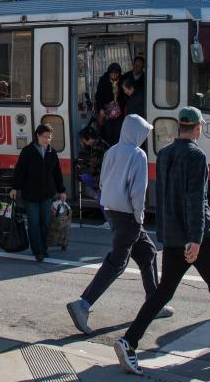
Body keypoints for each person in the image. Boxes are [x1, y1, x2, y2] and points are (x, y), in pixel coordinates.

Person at [114, 107, 210, 375]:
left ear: (180, 126)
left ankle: (129, 341)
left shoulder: (164, 153)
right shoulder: (196, 155)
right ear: (197, 127)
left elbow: (164, 196)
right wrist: (196, 238)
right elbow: (196, 199)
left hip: (172, 237)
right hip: (197, 236)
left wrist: (169, 236)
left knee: (163, 291)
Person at [67, 115, 173, 335]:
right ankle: (83, 304)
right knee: (117, 262)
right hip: (128, 214)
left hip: (110, 210)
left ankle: (154, 303)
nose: (145, 137)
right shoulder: (138, 154)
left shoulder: (112, 151)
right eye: (144, 132)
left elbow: (103, 181)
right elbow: (138, 190)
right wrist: (139, 215)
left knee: (148, 253)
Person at [10, 124, 68, 262]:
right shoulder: (27, 151)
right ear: (37, 135)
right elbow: (20, 171)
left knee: (46, 222)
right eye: (45, 136)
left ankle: (43, 247)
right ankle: (38, 251)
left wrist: (61, 190)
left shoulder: (52, 152)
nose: (47, 139)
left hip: (47, 194)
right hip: (30, 194)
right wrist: (14, 188)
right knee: (34, 222)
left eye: (49, 137)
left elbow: (57, 173)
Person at [93, 63, 123, 144]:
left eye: (116, 73)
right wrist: (101, 109)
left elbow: (124, 97)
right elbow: (98, 96)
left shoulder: (122, 80)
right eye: (111, 73)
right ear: (109, 73)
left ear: (119, 73)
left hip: (119, 113)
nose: (113, 75)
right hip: (107, 112)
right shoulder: (103, 80)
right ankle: (109, 152)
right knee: (108, 133)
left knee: (118, 133)